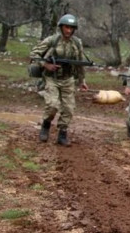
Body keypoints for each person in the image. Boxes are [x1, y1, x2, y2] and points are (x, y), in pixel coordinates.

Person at [30, 13, 90, 147]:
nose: (68, 30)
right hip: (52, 78)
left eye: (71, 28)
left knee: (69, 108)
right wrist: (46, 65)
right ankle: (46, 125)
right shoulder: (52, 40)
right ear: (61, 27)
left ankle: (62, 134)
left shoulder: (77, 43)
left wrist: (82, 81)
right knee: (52, 105)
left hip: (68, 79)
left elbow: (80, 63)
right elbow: (34, 54)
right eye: (66, 27)